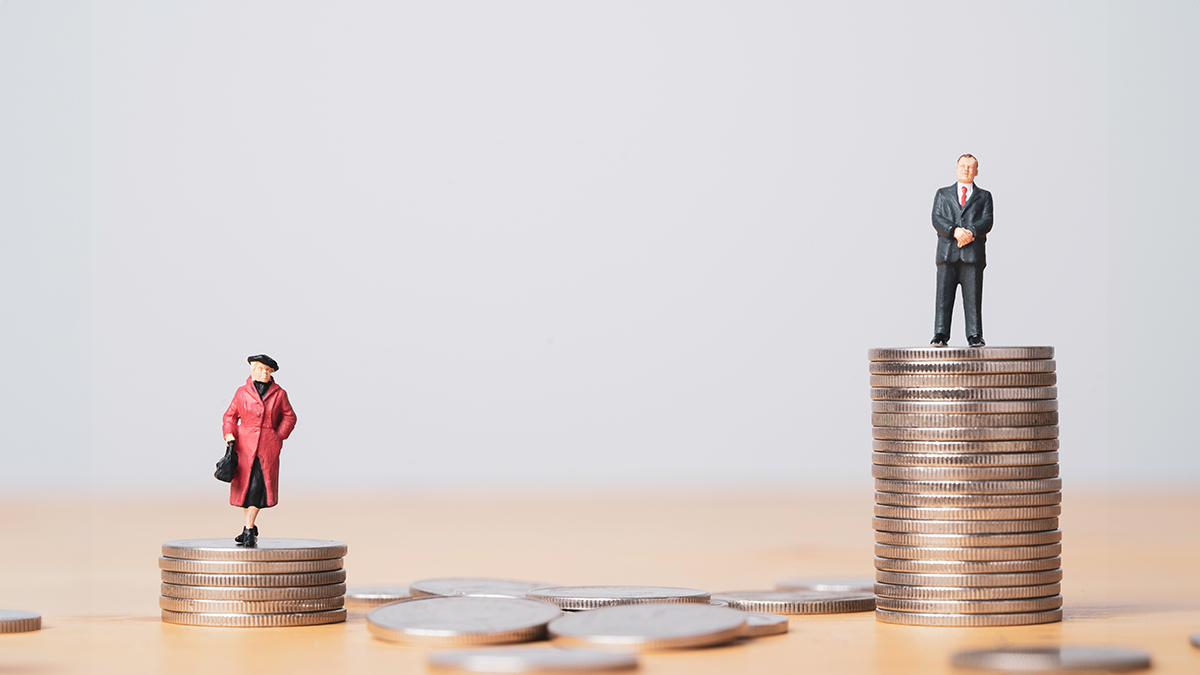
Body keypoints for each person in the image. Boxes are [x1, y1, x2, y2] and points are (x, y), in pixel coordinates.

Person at [222, 354, 297, 547]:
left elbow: (290, 417)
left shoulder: (279, 394)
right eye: (259, 368)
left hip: (266, 448)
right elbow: (230, 415)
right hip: (244, 447)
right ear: (252, 370)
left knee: (257, 488)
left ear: (272, 372)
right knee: (245, 490)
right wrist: (230, 434)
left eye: (266, 369)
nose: (263, 372)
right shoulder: (241, 393)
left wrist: (277, 436)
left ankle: (248, 529)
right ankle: (249, 528)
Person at [930, 154, 993, 348]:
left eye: (970, 167)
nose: (966, 169)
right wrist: (954, 231)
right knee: (943, 296)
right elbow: (936, 218)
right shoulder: (942, 194)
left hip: (972, 255)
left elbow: (987, 220)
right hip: (948, 254)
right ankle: (940, 333)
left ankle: (974, 334)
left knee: (973, 297)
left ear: (976, 171)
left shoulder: (984, 196)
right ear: (956, 169)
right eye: (963, 166)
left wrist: (971, 232)